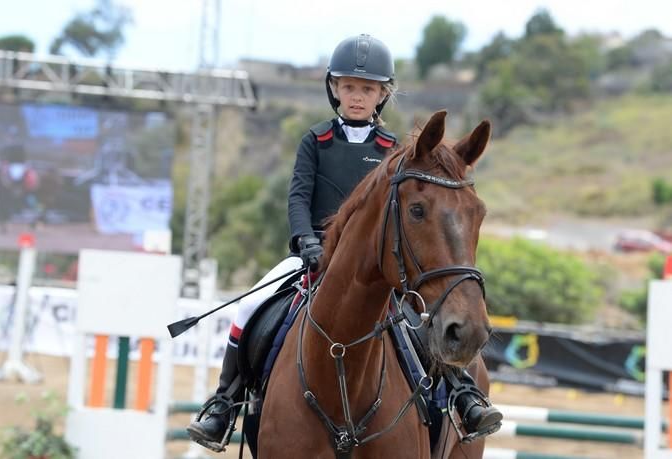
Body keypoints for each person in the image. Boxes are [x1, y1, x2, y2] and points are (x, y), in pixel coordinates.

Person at [187, 33, 500, 452]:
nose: (357, 96)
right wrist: (305, 241)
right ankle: (224, 402)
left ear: (381, 95)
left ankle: (463, 391)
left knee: (424, 318)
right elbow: (299, 195)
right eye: (350, 87)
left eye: (367, 89)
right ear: (335, 89)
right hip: (314, 255)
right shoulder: (315, 141)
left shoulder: (395, 151)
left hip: (376, 264)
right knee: (249, 307)